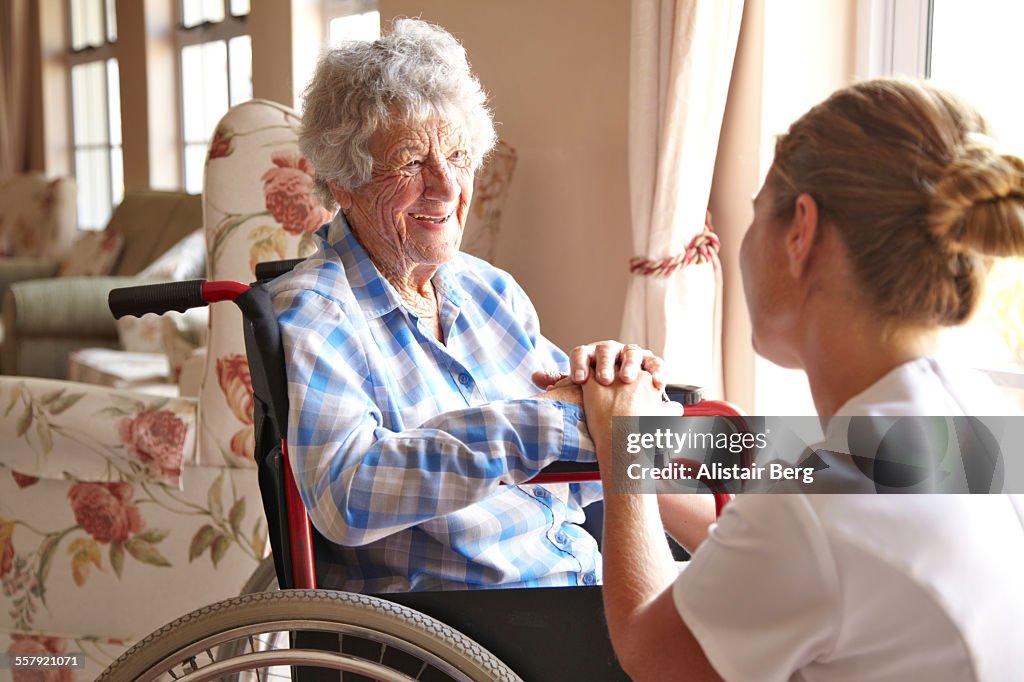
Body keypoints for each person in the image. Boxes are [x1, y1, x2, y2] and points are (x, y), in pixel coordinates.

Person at [582, 77, 1024, 681]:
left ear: (801, 231)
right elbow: (789, 569)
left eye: (760, 210)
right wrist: (646, 466)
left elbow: (650, 652)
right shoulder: (975, 419)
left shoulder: (825, 493)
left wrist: (622, 445)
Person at [270, 18, 668, 593]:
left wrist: (618, 389)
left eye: (459, 156)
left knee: (790, 531)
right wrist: (555, 422)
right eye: (411, 161)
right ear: (344, 180)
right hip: (483, 628)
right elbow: (346, 492)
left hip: (583, 580)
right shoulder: (318, 313)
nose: (448, 186)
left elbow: (589, 444)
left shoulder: (489, 291)